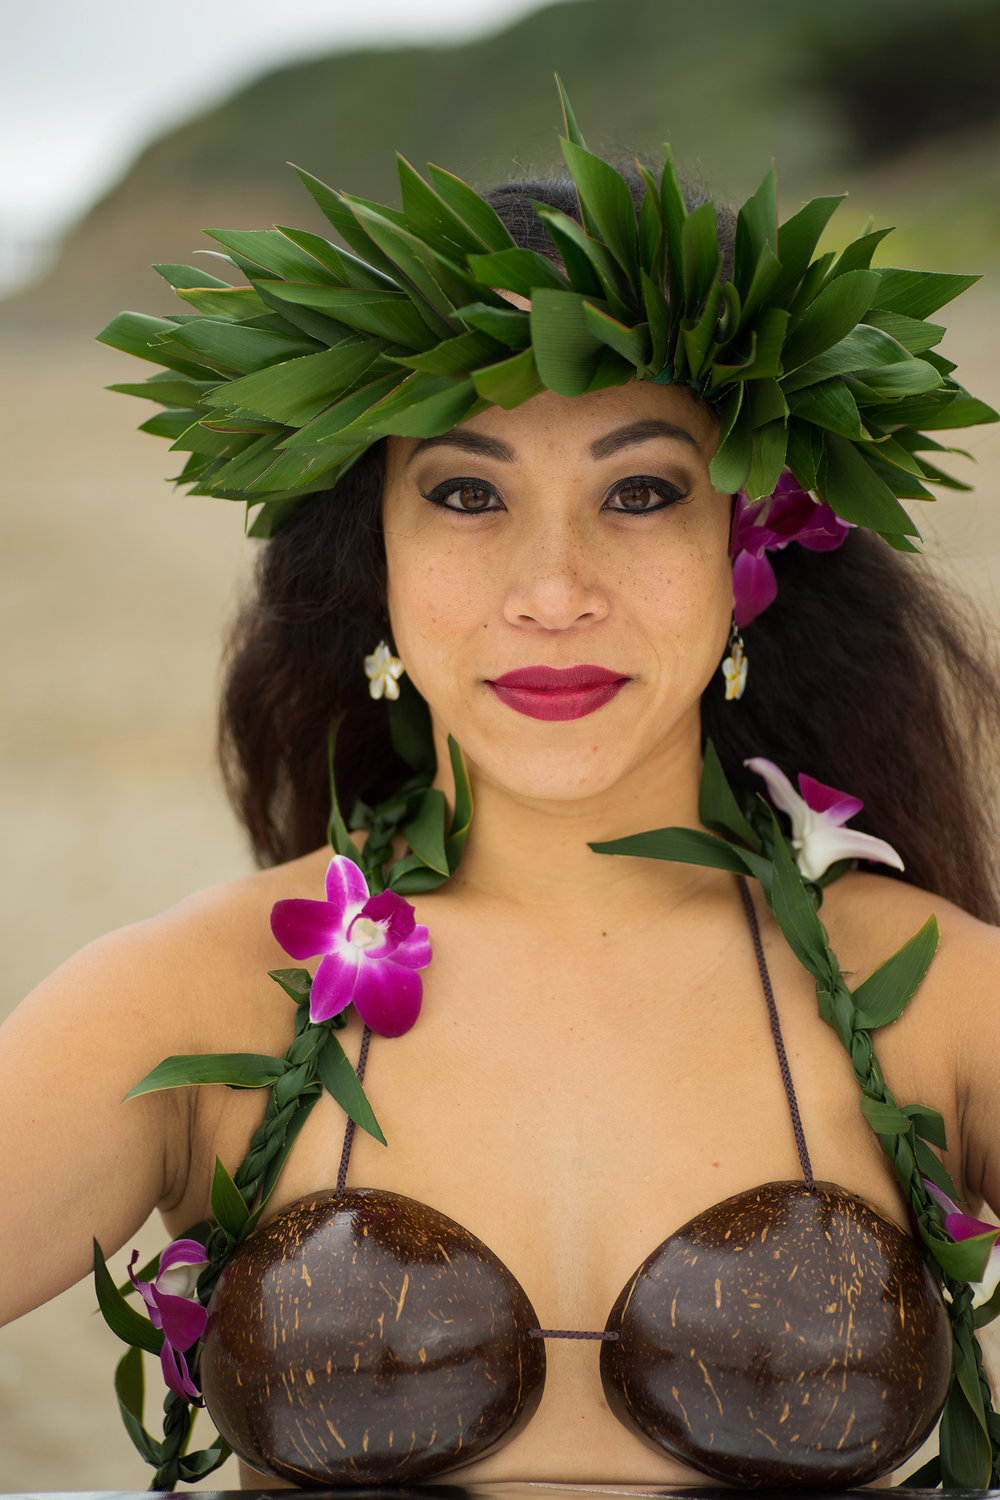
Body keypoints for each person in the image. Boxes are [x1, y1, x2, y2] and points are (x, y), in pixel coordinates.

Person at [3, 87, 1000, 1492]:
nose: (553, 591)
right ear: (379, 559)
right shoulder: (200, 1001)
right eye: (468, 497)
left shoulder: (941, 1000)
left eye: (642, 492)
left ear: (750, 541)